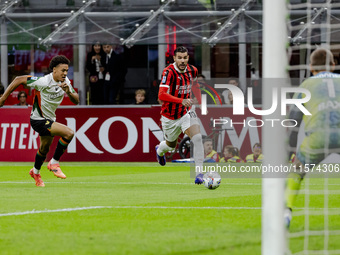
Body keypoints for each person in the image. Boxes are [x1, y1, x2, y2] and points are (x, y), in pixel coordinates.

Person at [0, 55, 79, 187]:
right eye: (62, 70)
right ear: (54, 70)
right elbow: (18, 79)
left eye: (66, 70)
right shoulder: (43, 81)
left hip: (49, 119)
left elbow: (76, 101)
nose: (65, 73)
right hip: (38, 119)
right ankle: (54, 163)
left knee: (44, 149)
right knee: (69, 133)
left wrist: (69, 92)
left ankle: (35, 172)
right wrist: (3, 99)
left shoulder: (66, 83)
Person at [285, 48, 340, 227]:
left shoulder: (306, 85)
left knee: (296, 172)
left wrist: (289, 154)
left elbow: (293, 122)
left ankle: (286, 211)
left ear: (310, 66)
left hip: (318, 136)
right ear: (333, 65)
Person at [154, 46, 205, 184]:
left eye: (185, 57)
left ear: (188, 58)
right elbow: (161, 95)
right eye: (180, 58)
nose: (183, 61)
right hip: (169, 116)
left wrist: (199, 100)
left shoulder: (192, 70)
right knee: (170, 145)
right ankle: (160, 150)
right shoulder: (168, 72)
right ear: (174, 58)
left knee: (198, 138)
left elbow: (194, 85)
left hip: (185, 113)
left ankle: (199, 174)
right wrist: (181, 100)